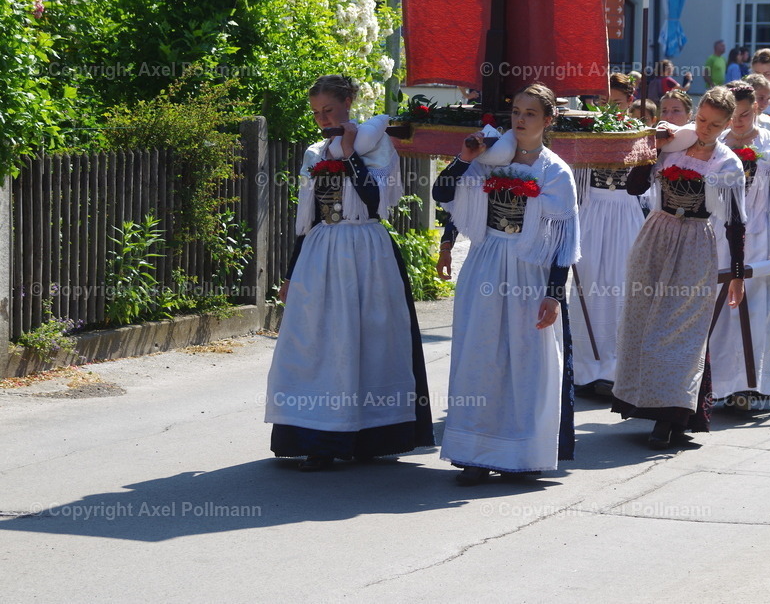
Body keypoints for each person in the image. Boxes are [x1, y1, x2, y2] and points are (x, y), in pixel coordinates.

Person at [265, 74, 434, 471]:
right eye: (317, 113)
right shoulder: (313, 152)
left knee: (369, 342)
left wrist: (348, 154)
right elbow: (306, 220)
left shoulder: (379, 147)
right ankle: (316, 435)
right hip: (321, 252)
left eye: (329, 110)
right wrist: (290, 274)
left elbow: (375, 201)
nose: (323, 119)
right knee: (316, 342)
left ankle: (370, 435)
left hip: (366, 251)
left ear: (350, 102)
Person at [432, 82, 580, 484]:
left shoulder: (555, 172)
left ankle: (521, 451)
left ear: (548, 121)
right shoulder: (490, 159)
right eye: (516, 111)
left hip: (528, 270)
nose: (520, 119)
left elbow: (565, 242)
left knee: (525, 359)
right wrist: (465, 158)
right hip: (485, 263)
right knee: (479, 354)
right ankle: (473, 453)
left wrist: (553, 295)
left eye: (530, 113)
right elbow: (442, 193)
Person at [611, 86, 746, 448]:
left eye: (715, 125)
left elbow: (735, 222)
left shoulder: (727, 163)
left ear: (727, 125)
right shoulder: (672, 146)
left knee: (680, 330)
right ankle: (644, 403)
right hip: (656, 233)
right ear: (695, 113)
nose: (705, 129)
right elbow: (633, 187)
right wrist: (650, 148)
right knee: (643, 320)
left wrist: (736, 275)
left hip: (694, 241)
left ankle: (671, 418)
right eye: (701, 119)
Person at [710, 82, 770, 410]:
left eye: (745, 114)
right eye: (732, 115)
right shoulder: (713, 143)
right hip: (717, 235)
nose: (739, 121)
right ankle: (715, 384)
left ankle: (749, 385)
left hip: (760, 236)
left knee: (756, 312)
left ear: (756, 109)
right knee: (718, 311)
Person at [570, 76, 648, 398]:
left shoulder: (639, 134)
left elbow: (645, 186)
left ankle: (616, 369)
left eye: (616, 102)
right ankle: (585, 367)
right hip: (592, 213)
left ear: (629, 102)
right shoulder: (588, 131)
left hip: (625, 215)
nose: (608, 108)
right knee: (587, 284)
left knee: (619, 286)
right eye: (603, 102)